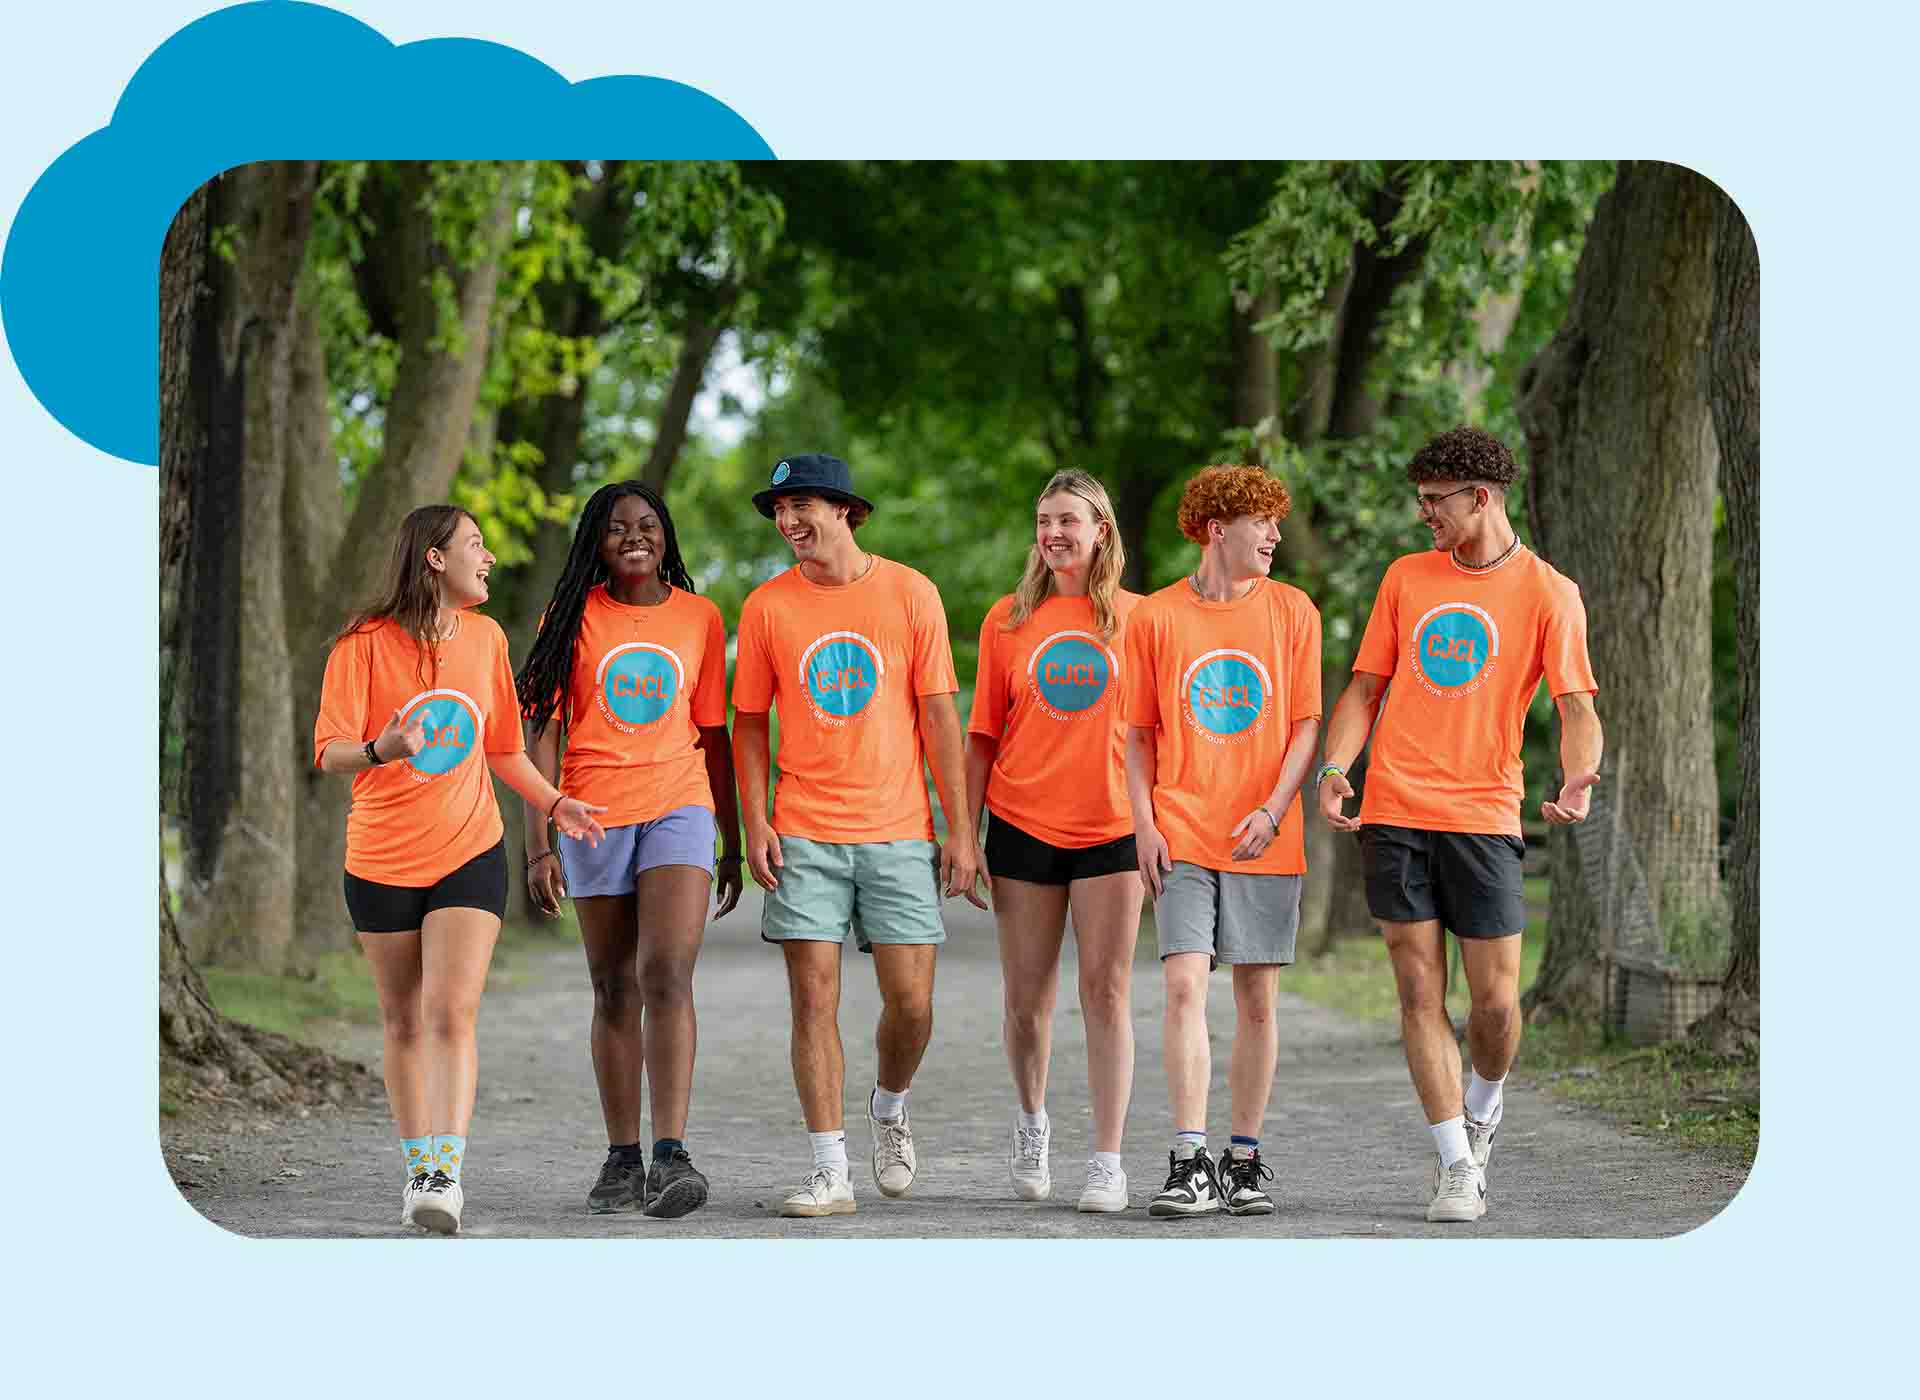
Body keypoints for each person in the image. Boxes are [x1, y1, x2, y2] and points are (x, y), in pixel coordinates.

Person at [1317, 425, 1601, 1224]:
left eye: (1434, 502)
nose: (1423, 518)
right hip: (1396, 807)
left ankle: (1484, 1106)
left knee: (1496, 1006)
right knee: (1415, 988)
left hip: (1482, 814)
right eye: (1419, 502)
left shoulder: (1549, 592)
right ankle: (1454, 1164)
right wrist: (1338, 768)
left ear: (1481, 498)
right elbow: (1365, 688)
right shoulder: (1407, 578)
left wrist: (1580, 776)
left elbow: (1576, 705)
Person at [312, 505, 606, 1235]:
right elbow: (328, 749)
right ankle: (416, 1165)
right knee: (403, 1019)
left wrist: (557, 800)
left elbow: (504, 747)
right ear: (435, 559)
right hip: (379, 855)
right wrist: (381, 749)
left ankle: (445, 1172)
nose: (490, 558)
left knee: (451, 1012)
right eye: (476, 544)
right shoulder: (361, 644)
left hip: (469, 848)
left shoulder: (486, 639)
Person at [730, 453, 983, 1219]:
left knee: (910, 1005)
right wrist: (755, 820)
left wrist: (959, 830)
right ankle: (829, 1170)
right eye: (778, 509)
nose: (787, 520)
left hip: (899, 829)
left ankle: (890, 1104)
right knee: (814, 1000)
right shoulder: (767, 607)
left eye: (802, 503)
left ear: (847, 511)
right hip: (804, 828)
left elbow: (941, 717)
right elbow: (747, 723)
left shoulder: (910, 593)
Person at [515, 481, 743, 1220]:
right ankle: (622, 1157)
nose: (634, 536)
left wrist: (732, 839)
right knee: (614, 984)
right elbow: (541, 735)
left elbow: (712, 734)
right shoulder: (570, 618)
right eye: (617, 528)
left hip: (680, 806)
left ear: (667, 536)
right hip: (591, 815)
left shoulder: (701, 618)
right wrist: (539, 843)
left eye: (648, 525)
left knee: (666, 972)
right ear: (597, 541)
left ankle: (672, 1154)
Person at [1123, 465, 1321, 1219]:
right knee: (1182, 988)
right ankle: (1187, 1159)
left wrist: (1273, 809)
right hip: (1181, 832)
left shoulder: (1294, 611)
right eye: (1261, 523)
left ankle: (1243, 1158)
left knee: (1257, 1002)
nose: (1274, 535)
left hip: (1261, 836)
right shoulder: (1157, 617)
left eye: (1276, 522)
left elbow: (1305, 723)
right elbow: (1138, 734)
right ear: (1217, 530)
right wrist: (1143, 821)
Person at [965, 470, 1144, 1212]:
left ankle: (1107, 1159)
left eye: (1068, 519)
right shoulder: (1006, 620)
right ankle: (1033, 1123)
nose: (1053, 533)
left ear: (1101, 530)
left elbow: (1157, 736)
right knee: (1026, 1002)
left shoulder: (1142, 620)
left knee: (1106, 992)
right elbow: (981, 736)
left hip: (1113, 828)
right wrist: (965, 835)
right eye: (1044, 520)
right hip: (1021, 823)